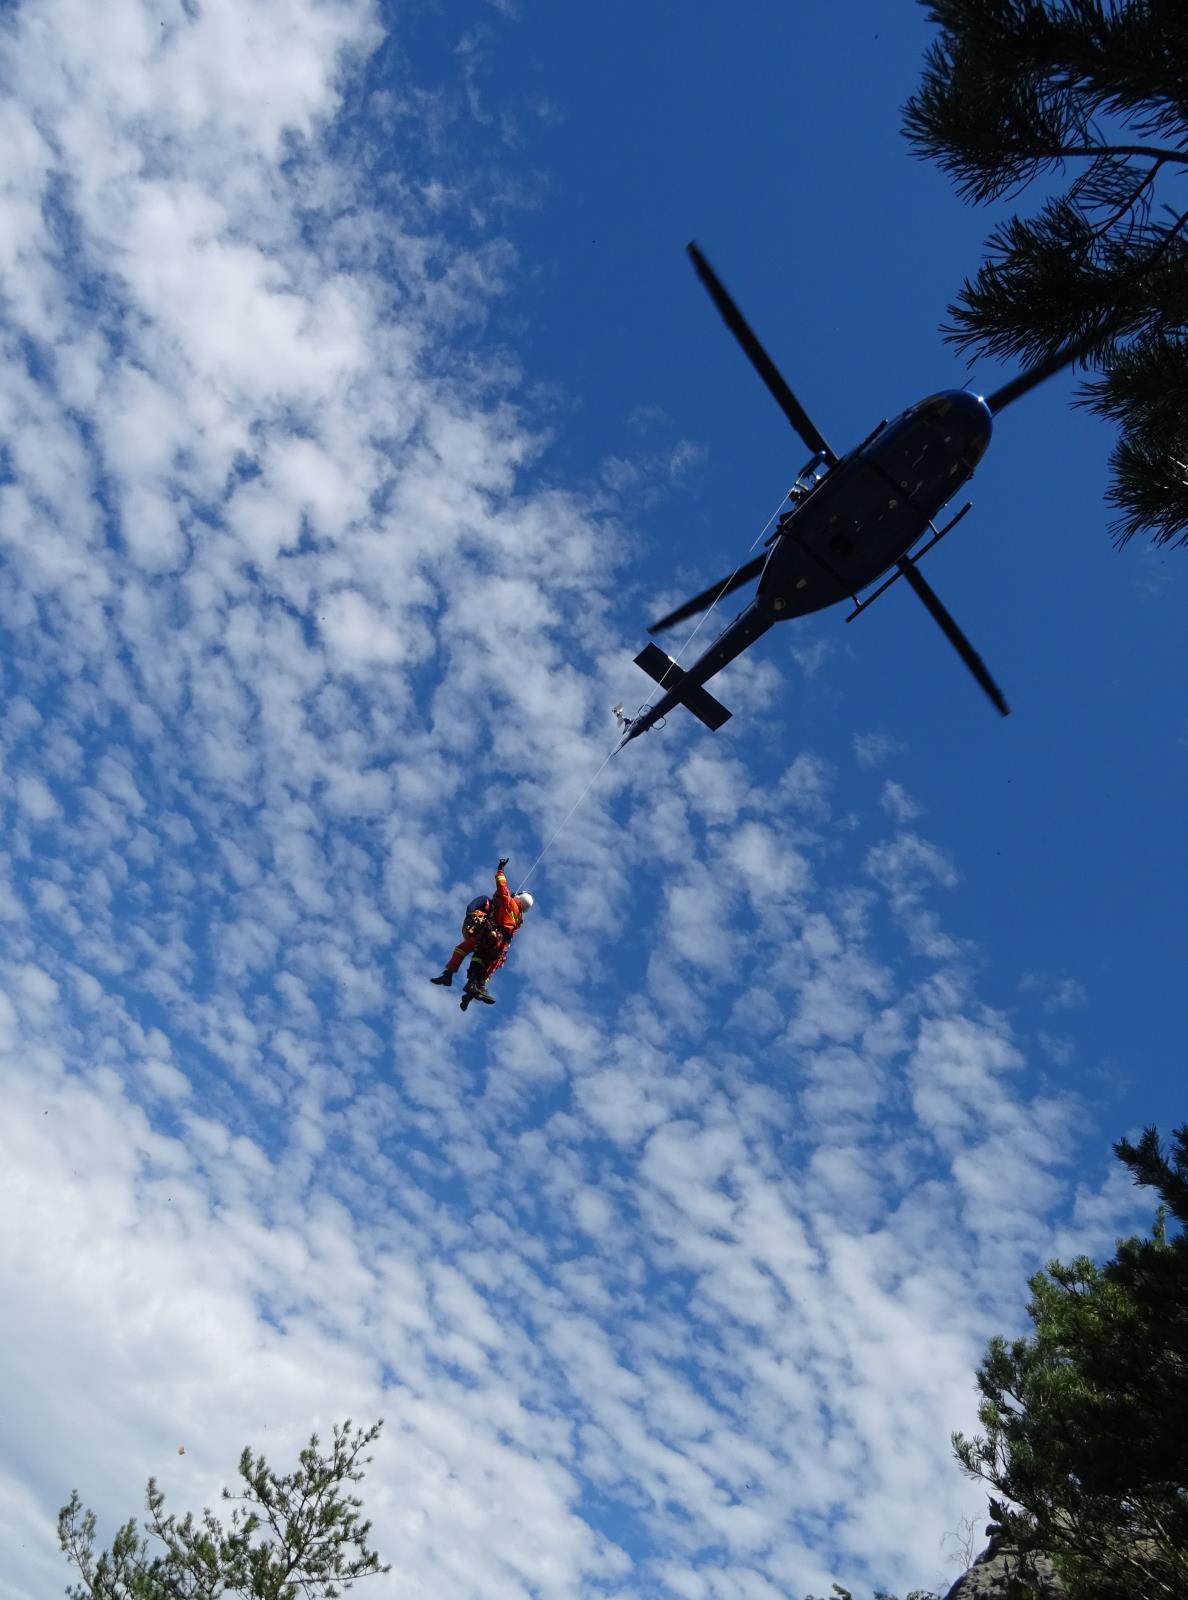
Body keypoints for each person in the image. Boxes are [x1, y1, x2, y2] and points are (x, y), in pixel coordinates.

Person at [430, 858, 534, 1004]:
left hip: (489, 935)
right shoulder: (518, 922)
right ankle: (474, 990)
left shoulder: (508, 903)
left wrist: (500, 869)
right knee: (485, 966)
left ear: (518, 897)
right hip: (500, 947)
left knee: (465, 950)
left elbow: (502, 886)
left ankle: (450, 975)